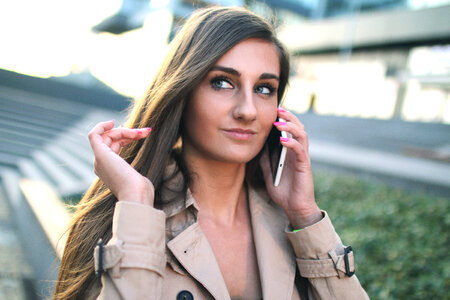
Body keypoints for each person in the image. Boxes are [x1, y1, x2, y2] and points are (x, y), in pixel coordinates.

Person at [54, 6, 369, 300]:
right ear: (183, 91)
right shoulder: (124, 218)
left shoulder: (291, 226)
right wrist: (136, 199)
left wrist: (306, 217)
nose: (248, 111)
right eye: (222, 82)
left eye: (264, 88)